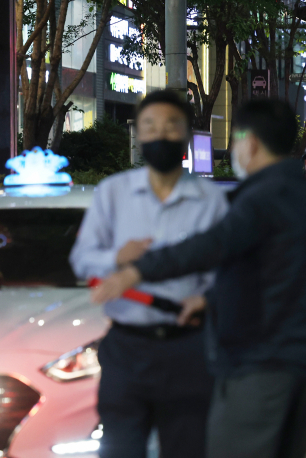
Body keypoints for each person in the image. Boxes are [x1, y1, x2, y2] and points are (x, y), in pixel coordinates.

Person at [91, 99, 306, 458]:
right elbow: (273, 276)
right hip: (303, 366)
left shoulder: (259, 200)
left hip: (257, 369)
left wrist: (138, 269)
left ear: (250, 143)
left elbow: (209, 246)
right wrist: (209, 301)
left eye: (236, 140)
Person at [69, 90, 229, 458]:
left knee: (187, 447)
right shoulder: (114, 193)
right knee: (121, 448)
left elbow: (228, 268)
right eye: (150, 126)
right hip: (127, 348)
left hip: (188, 347)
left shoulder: (211, 200)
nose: (160, 135)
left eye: (171, 126)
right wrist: (116, 258)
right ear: (138, 136)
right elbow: (82, 260)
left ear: (187, 133)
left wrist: (206, 299)